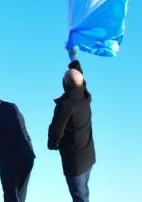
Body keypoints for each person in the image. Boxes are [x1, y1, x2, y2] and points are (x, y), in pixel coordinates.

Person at [48, 57, 95, 202]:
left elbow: (57, 130)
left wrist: (52, 144)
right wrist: (73, 58)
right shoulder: (85, 95)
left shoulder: (66, 105)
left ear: (65, 84)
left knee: (79, 196)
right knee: (83, 194)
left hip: (75, 162)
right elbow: (79, 78)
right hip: (88, 156)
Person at [0, 89, 35, 202]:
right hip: (27, 154)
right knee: (20, 195)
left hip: (9, 158)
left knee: (10, 195)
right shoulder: (12, 106)